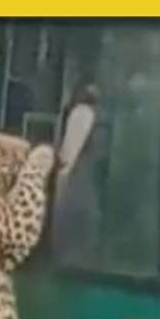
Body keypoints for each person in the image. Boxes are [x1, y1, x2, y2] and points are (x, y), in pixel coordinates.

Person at [52, 83, 104, 266]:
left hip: (78, 183)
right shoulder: (83, 113)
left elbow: (67, 158)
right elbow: (68, 158)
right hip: (78, 182)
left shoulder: (81, 112)